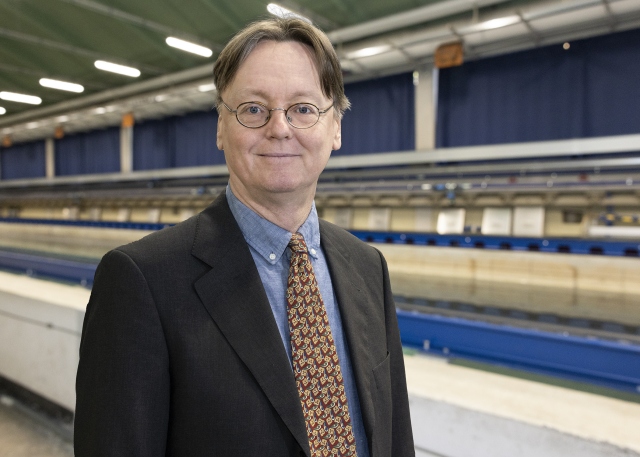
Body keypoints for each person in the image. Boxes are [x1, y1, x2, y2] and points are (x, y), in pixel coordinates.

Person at [74, 16, 414, 457]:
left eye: (303, 109)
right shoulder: (142, 281)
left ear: (336, 129)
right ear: (221, 127)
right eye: (253, 108)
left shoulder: (368, 267)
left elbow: (396, 437)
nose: (279, 127)